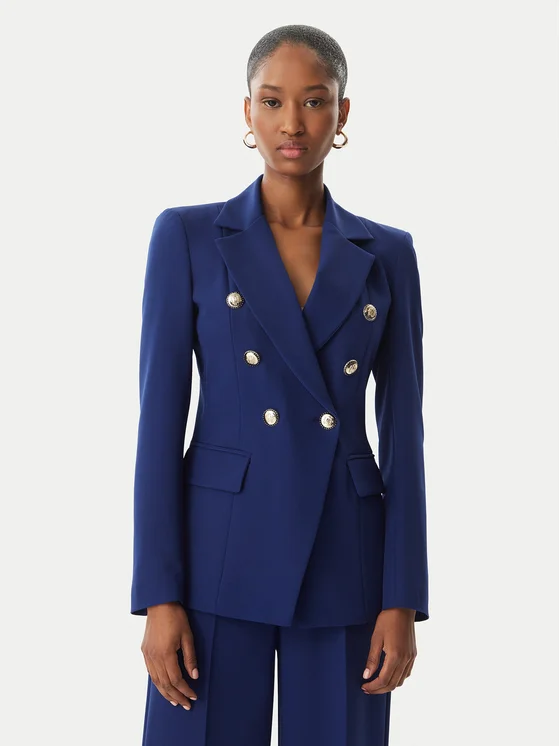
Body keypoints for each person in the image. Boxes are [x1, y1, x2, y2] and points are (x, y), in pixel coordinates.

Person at [131, 23, 429, 746]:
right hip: (217, 553)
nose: (292, 123)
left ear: (343, 113)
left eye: (314, 101)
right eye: (272, 101)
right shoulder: (188, 237)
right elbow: (158, 424)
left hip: (346, 556)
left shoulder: (387, 252)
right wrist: (158, 594)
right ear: (247, 112)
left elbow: (405, 433)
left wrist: (402, 597)